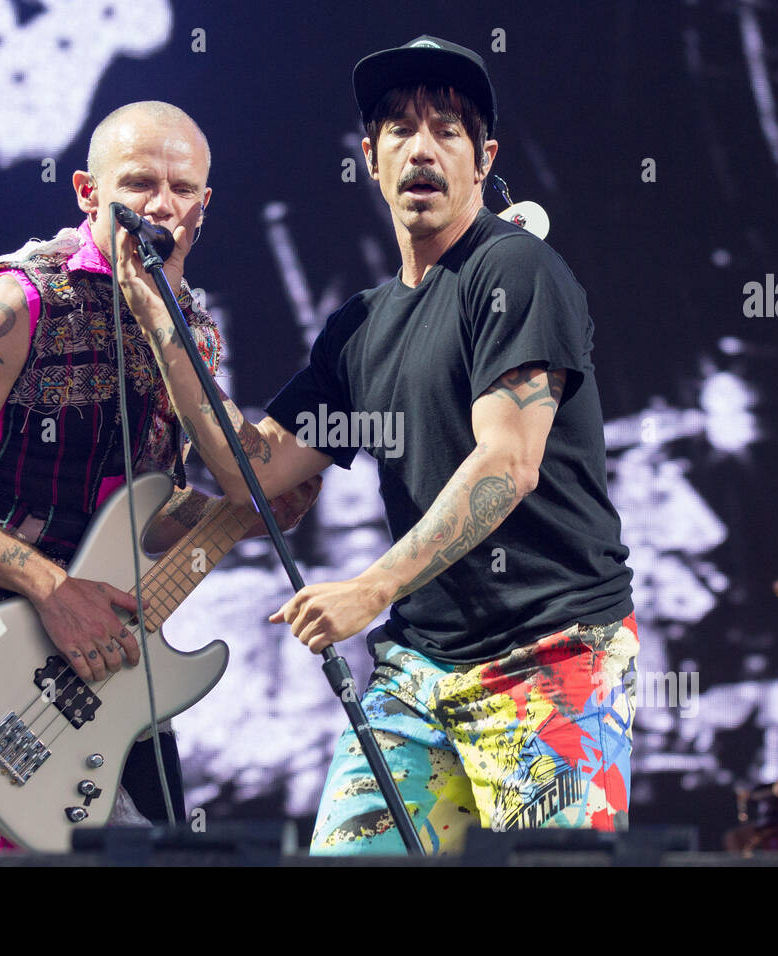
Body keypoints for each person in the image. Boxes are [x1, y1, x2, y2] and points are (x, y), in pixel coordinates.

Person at [119, 38, 637, 855]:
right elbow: (250, 469)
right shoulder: (360, 328)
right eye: (398, 129)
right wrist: (159, 318)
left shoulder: (517, 271)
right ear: (369, 157)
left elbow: (509, 462)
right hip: (420, 666)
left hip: (551, 654)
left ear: (483, 158)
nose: (421, 147)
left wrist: (370, 589)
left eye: (447, 130)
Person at [0, 101, 318, 853]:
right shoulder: (22, 300)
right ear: (86, 191)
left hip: (108, 670)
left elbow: (145, 499)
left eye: (183, 189)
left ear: (205, 205)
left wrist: (236, 514)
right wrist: (53, 590)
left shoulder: (193, 330)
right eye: (139, 183)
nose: (162, 205)